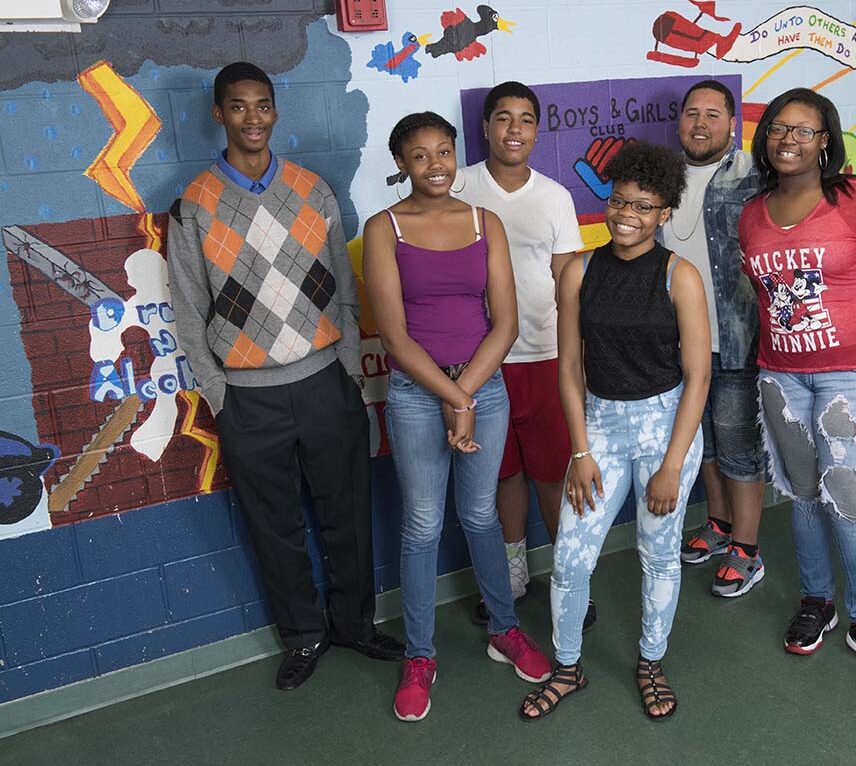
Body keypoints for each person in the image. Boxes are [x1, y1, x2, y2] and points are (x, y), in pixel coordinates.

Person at [167, 61, 404, 692]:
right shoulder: (193, 206)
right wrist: (220, 396)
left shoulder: (312, 189)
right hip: (248, 398)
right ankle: (303, 636)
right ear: (218, 114)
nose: (252, 118)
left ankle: (355, 624)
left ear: (276, 112)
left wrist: (351, 370)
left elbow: (346, 290)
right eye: (238, 107)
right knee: (274, 527)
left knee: (346, 513)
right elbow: (189, 314)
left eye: (262, 105)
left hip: (326, 381)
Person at [362, 111, 550, 722]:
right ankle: (420, 656)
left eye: (444, 152)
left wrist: (466, 394)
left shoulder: (484, 222)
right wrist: (452, 400)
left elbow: (506, 323)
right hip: (419, 396)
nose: (435, 165)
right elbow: (393, 334)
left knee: (479, 514)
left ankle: (504, 628)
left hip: (483, 389)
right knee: (420, 525)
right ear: (401, 164)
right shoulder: (384, 228)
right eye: (419, 155)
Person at [519, 141, 710, 722]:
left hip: (664, 427)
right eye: (621, 201)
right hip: (598, 422)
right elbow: (569, 367)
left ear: (665, 213)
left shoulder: (681, 276)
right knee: (573, 558)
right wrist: (579, 449)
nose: (628, 215)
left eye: (645, 207)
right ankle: (569, 667)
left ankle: (651, 661)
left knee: (659, 555)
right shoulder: (578, 270)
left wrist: (673, 465)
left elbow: (698, 375)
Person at [740, 88, 856, 681]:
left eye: (803, 130)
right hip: (781, 376)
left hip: (852, 379)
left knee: (854, 502)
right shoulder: (752, 214)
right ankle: (817, 602)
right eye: (778, 129)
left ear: (825, 142)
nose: (788, 139)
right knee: (804, 496)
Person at [452, 81, 595, 628]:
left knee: (553, 473)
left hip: (545, 353)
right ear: (485, 127)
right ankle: (512, 571)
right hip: (477, 363)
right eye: (504, 118)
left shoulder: (556, 196)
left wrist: (579, 354)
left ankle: (569, 576)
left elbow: (568, 280)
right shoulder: (457, 186)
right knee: (501, 473)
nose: (515, 130)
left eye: (526, 119)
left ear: (537, 130)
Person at [665, 79, 767, 598]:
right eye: (690, 113)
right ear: (678, 121)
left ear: (733, 124)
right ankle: (721, 525)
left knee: (738, 446)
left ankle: (747, 550)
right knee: (702, 445)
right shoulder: (662, 178)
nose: (700, 123)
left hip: (737, 337)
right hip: (679, 342)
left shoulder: (755, 174)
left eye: (712, 114)